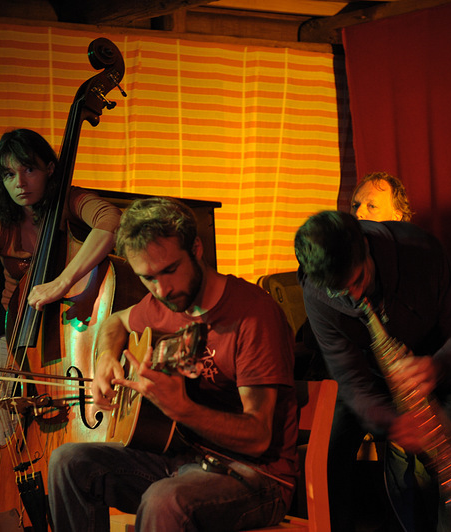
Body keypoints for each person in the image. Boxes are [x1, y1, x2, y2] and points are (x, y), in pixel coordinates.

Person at [48, 196, 299, 531]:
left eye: (169, 270)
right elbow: (116, 323)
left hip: (256, 476)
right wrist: (106, 355)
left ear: (196, 249)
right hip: (181, 456)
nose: (162, 288)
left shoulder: (253, 316)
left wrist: (181, 409)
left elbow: (258, 436)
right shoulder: (161, 304)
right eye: (147, 278)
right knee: (68, 462)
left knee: (164, 500)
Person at [0, 128, 121, 493]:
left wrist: (63, 281)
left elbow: (110, 222)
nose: (20, 183)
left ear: (49, 168)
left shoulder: (69, 201)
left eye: (29, 170)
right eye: (8, 174)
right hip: (17, 339)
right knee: (6, 447)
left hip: (73, 337)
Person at [294, 210, 451, 532]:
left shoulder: (421, 251)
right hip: (369, 377)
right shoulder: (315, 288)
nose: (355, 297)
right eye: (341, 292)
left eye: (357, 281)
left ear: (366, 248)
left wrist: (436, 366)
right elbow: (350, 379)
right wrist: (389, 421)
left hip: (436, 368)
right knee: (326, 452)